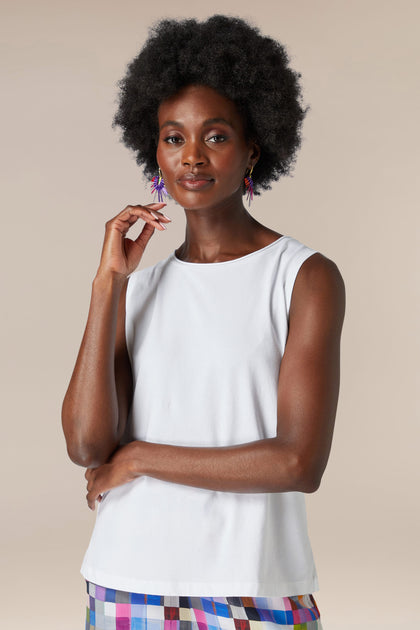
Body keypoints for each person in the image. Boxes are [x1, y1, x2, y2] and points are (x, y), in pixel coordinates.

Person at [62, 14, 345, 630]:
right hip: (126, 581)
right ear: (154, 150)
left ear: (252, 149)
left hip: (254, 586)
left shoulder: (301, 277)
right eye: (172, 137)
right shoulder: (139, 288)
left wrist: (136, 460)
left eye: (214, 136)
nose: (190, 156)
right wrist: (108, 284)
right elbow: (86, 444)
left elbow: (299, 463)